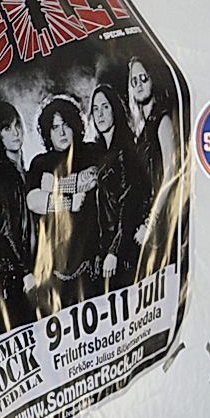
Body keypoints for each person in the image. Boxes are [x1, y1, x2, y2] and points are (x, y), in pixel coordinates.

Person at [26, 95, 99, 312]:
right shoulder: (39, 162)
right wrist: (68, 201)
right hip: (53, 265)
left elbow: (91, 178)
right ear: (47, 132)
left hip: (90, 259)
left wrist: (52, 185)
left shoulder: (89, 151)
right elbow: (33, 201)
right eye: (55, 127)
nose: (62, 132)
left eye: (66, 124)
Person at [0, 101, 37, 329]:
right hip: (17, 275)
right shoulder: (1, 175)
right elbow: (4, 230)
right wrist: (25, 272)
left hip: (33, 266)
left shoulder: (23, 170)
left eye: (16, 126)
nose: (15, 133)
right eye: (6, 128)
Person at [127, 56, 176, 278]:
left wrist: (152, 220)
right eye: (133, 81)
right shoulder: (142, 127)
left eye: (143, 78)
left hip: (160, 220)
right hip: (144, 219)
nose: (138, 85)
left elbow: (171, 172)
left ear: (152, 80)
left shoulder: (162, 119)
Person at [89, 83, 139, 290]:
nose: (100, 114)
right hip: (107, 248)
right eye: (95, 109)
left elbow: (129, 202)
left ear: (115, 109)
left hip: (121, 250)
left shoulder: (124, 151)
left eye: (105, 107)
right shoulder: (101, 153)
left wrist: (114, 251)